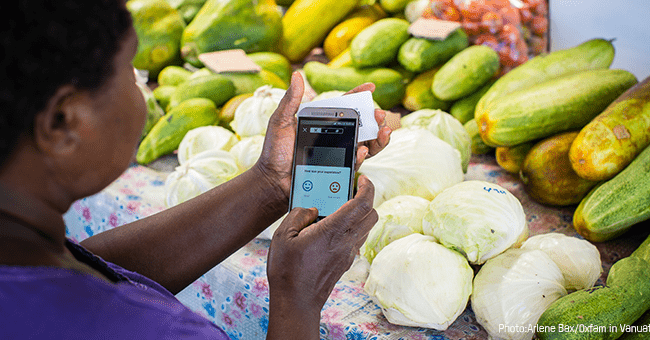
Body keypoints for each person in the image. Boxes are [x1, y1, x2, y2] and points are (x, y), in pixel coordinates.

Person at [0, 1, 391, 338]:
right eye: (131, 72)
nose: (143, 91)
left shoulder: (22, 244)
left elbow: (91, 266)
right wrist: (297, 300)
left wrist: (273, 183)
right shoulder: (152, 332)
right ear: (62, 122)